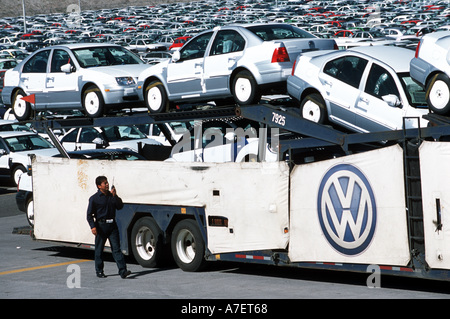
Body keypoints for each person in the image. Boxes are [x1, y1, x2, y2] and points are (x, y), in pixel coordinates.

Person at [87, 175, 131, 279]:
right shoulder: (94, 199)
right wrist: (93, 227)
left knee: (116, 249)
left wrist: (115, 196)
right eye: (104, 183)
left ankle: (123, 271)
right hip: (101, 226)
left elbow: (120, 206)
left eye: (107, 182)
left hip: (112, 226)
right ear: (99, 186)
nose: (107, 184)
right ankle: (99, 271)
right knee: (99, 250)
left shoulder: (111, 196)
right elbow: (89, 215)